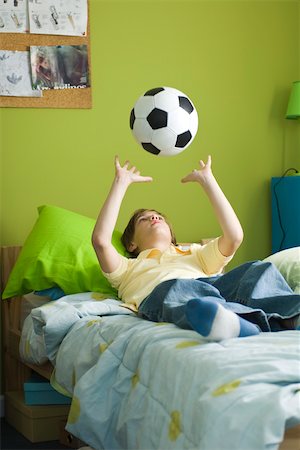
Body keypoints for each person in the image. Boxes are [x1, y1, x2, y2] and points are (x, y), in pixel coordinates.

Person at [92, 155, 300, 341]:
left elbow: (234, 236)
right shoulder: (127, 268)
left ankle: (291, 316)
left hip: (211, 286)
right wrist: (121, 182)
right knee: (176, 288)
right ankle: (233, 321)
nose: (154, 217)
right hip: (165, 294)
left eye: (159, 217)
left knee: (257, 270)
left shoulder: (195, 253)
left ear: (172, 236)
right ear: (131, 244)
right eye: (143, 219)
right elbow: (101, 241)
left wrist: (208, 181)